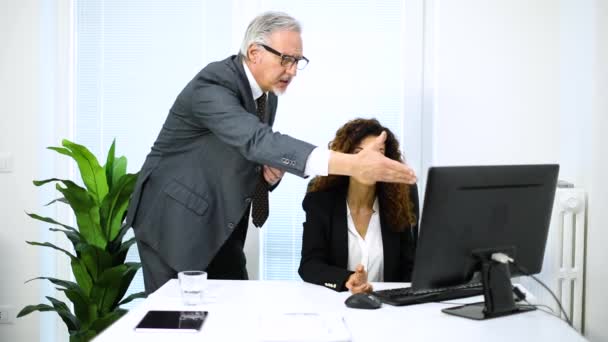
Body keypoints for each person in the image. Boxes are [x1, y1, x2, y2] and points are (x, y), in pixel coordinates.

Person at [126, 12, 416, 294]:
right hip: (175, 220)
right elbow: (257, 140)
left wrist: (268, 176)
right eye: (286, 59)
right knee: (179, 322)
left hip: (222, 225)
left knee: (233, 316)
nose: (291, 70)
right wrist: (353, 165)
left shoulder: (266, 97)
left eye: (297, 61)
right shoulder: (212, 85)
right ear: (254, 52)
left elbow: (251, 153)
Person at [299, 118, 419, 294]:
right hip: (336, 304)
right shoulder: (321, 200)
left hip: (388, 309)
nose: (371, 162)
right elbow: (309, 265)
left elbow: (410, 268)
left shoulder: (399, 202)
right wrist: (348, 279)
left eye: (379, 153)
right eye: (360, 153)